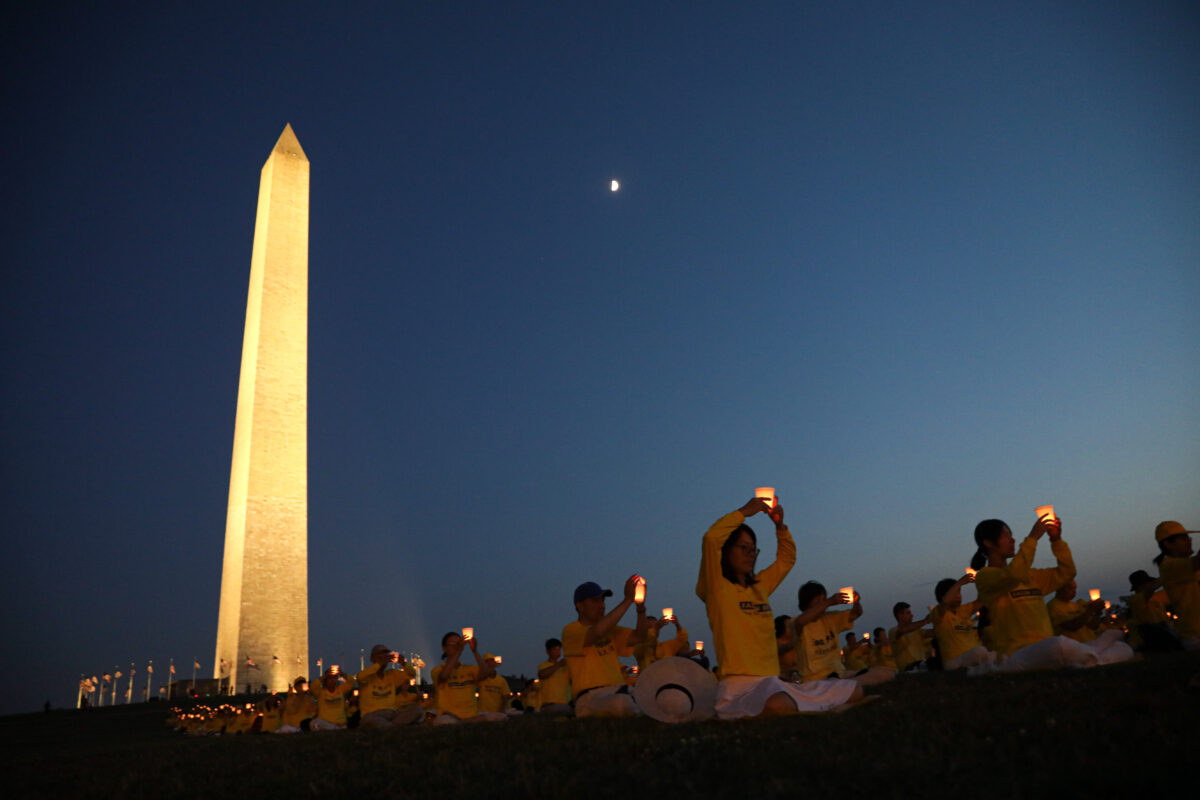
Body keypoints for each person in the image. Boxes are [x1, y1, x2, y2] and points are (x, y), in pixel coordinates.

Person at [696, 496, 860, 718]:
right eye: (743, 548)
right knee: (779, 705)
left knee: (853, 690)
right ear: (726, 551)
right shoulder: (718, 588)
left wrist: (780, 526)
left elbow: (786, 560)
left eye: (753, 550)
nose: (750, 555)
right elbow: (711, 538)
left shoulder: (759, 588)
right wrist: (745, 511)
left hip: (772, 683)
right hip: (739, 688)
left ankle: (814, 704)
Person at [971, 514, 1132, 670]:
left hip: (1046, 646)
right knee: (1058, 646)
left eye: (1012, 535)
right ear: (989, 543)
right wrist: (1033, 537)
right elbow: (1014, 574)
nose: (1013, 539)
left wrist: (1056, 540)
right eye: (1006, 535)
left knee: (1123, 648)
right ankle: (1090, 655)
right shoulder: (985, 577)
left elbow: (1067, 572)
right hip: (1017, 653)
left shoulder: (1031, 576)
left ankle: (1088, 659)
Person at [562, 577, 647, 717]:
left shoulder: (610, 630)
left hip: (619, 689)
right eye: (595, 601)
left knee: (651, 695)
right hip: (590, 696)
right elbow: (597, 632)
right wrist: (627, 600)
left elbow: (640, 637)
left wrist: (640, 607)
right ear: (580, 606)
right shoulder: (571, 631)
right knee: (621, 702)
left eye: (602, 601)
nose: (601, 605)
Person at [791, 582, 893, 686]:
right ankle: (846, 686)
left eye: (824, 599)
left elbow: (856, 613)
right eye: (818, 601)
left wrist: (856, 601)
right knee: (873, 677)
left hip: (839, 673)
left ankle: (845, 686)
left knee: (885, 672)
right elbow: (800, 621)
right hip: (815, 679)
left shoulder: (831, 617)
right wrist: (829, 602)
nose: (822, 604)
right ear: (806, 603)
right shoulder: (795, 622)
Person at [431, 631, 506, 724]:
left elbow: (486, 673)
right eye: (453, 644)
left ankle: (463, 722)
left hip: (472, 714)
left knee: (501, 716)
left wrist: (475, 651)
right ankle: (466, 722)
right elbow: (443, 676)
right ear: (444, 648)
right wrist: (459, 650)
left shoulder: (469, 669)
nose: (456, 646)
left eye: (458, 644)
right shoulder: (437, 670)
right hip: (448, 715)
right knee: (445, 721)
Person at [931, 575, 995, 670]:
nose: (959, 595)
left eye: (959, 591)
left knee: (999, 655)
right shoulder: (938, 613)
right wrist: (960, 583)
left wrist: (982, 582)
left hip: (975, 657)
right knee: (979, 652)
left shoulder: (964, 610)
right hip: (954, 662)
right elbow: (944, 603)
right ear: (943, 596)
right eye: (955, 592)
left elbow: (982, 599)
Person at [1154, 520, 1200, 649]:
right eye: (1183, 538)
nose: (1189, 541)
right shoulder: (1168, 566)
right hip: (1195, 636)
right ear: (1168, 544)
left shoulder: (1189, 565)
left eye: (1188, 538)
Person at [355, 645, 423, 728]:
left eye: (386, 655)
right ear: (372, 659)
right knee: (369, 719)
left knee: (417, 710)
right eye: (380, 655)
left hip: (392, 715)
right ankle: (395, 728)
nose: (384, 657)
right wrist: (379, 664)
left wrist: (403, 663)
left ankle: (390, 727)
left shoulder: (392, 674)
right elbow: (360, 677)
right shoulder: (367, 676)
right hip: (373, 715)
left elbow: (411, 674)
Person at [1126, 569, 1179, 652]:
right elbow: (1151, 589)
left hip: (1166, 630)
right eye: (1148, 582)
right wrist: (1168, 574)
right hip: (1151, 634)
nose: (1150, 584)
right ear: (1141, 585)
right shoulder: (1134, 599)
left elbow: (1174, 590)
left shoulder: (1157, 597)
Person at [889, 602, 932, 671]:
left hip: (922, 664)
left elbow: (933, 633)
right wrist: (926, 621)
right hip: (909, 668)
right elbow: (902, 630)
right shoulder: (893, 631)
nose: (912, 615)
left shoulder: (918, 631)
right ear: (900, 616)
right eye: (908, 613)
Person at [536, 638, 572, 714]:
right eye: (555, 649)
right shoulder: (543, 665)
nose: (558, 652)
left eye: (559, 649)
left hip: (564, 703)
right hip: (549, 704)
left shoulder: (566, 667)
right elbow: (542, 674)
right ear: (548, 652)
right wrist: (559, 664)